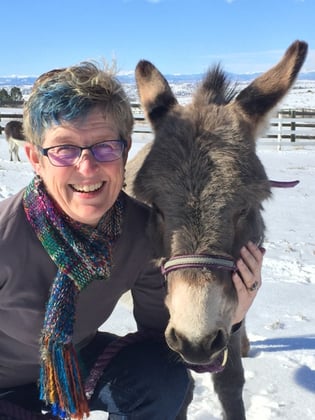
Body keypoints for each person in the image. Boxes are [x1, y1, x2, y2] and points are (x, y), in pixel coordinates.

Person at [0, 62, 264, 420]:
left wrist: (229, 318)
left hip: (80, 364)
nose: (88, 167)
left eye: (105, 147)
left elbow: (162, 346)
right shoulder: (5, 236)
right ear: (35, 158)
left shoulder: (143, 230)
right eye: (64, 149)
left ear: (125, 152)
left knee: (161, 378)